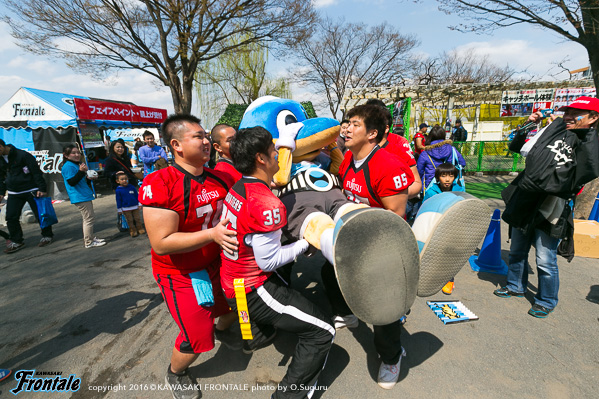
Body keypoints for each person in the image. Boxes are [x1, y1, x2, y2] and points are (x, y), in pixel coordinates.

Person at [221, 125, 334, 399]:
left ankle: (255, 337)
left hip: (232, 279)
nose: (278, 157)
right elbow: (269, 261)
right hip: (252, 288)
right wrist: (306, 244)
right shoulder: (267, 202)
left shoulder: (239, 185)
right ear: (261, 158)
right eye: (274, 152)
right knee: (323, 331)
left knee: (284, 285)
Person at [139, 114, 241, 399]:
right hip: (179, 272)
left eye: (206, 136)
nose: (207, 141)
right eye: (198, 136)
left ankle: (223, 330)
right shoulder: (160, 182)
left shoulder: (220, 176)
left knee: (232, 308)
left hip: (216, 262)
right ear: (176, 145)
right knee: (197, 337)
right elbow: (162, 242)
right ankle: (176, 373)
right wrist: (212, 236)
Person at [495, 97, 599, 318]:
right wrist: (530, 125)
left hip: (552, 205)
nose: (569, 117)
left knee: (544, 258)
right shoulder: (554, 130)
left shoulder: (590, 142)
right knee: (517, 250)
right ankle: (515, 286)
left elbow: (588, 168)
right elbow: (517, 147)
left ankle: (546, 300)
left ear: (594, 117)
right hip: (526, 199)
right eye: (567, 112)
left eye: (576, 113)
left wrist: (587, 133)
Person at [335, 104, 414, 390]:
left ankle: (392, 357)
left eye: (354, 124)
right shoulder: (346, 159)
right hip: (356, 241)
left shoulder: (388, 165)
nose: (346, 128)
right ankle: (350, 312)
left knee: (385, 309)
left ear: (372, 134)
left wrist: (368, 245)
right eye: (346, 122)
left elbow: (396, 217)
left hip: (384, 246)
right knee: (329, 272)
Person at [0, 139, 55, 253]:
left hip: (31, 189)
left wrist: (41, 188)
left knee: (40, 214)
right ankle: (17, 240)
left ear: (1, 147)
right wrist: (1, 192)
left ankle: (47, 235)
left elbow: (36, 172)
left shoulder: (22, 155)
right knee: (11, 217)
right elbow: (1, 178)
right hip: (14, 192)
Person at [422, 162, 461, 295]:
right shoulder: (431, 192)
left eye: (451, 175)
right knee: (432, 253)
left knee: (449, 256)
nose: (447, 179)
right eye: (444, 176)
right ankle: (429, 278)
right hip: (435, 228)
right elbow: (425, 209)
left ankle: (448, 280)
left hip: (452, 229)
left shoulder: (459, 190)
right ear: (438, 177)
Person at [61, 144, 106, 249]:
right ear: (66, 155)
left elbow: (80, 181)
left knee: (90, 217)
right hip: (79, 196)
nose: (77, 155)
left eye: (78, 152)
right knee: (88, 218)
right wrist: (81, 172)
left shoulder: (76, 164)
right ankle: (89, 241)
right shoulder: (68, 166)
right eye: (73, 153)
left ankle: (91, 237)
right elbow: (72, 182)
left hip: (84, 194)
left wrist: (89, 178)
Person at [417, 125, 466, 191]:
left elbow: (419, 171)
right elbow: (462, 163)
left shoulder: (425, 153)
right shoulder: (452, 150)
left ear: (430, 137)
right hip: (450, 186)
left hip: (430, 187)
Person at [114, 172, 145, 237]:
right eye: (122, 179)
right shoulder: (118, 190)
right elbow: (118, 200)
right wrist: (119, 209)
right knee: (130, 220)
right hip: (126, 208)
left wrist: (139, 203)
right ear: (117, 181)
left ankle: (140, 228)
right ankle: (132, 230)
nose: (124, 181)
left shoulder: (131, 187)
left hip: (135, 206)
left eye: (126, 179)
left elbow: (137, 195)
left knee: (137, 218)